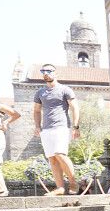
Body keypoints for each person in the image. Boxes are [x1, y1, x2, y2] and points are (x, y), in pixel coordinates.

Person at [33, 64, 81, 195]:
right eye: (43, 71)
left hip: (61, 127)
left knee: (60, 154)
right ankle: (60, 187)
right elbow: (37, 110)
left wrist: (76, 126)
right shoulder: (40, 93)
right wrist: (37, 126)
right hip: (46, 129)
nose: (46, 73)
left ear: (55, 73)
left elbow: (75, 108)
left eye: (49, 71)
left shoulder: (65, 90)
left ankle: (73, 182)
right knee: (52, 158)